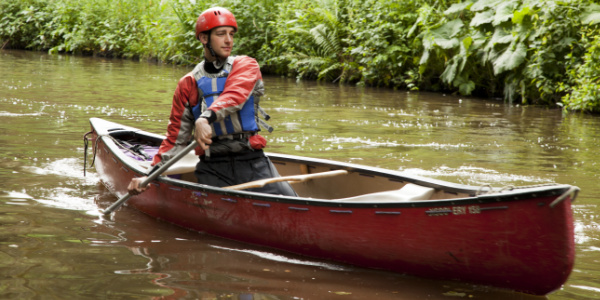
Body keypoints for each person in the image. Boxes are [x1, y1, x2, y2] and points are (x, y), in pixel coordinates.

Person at [128, 7, 296, 196]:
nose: (228, 40)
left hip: (252, 161)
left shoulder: (246, 65)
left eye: (231, 34)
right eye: (221, 34)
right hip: (212, 167)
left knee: (291, 200)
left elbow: (235, 95)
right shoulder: (188, 84)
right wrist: (149, 174)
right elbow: (176, 140)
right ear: (204, 38)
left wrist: (204, 118)